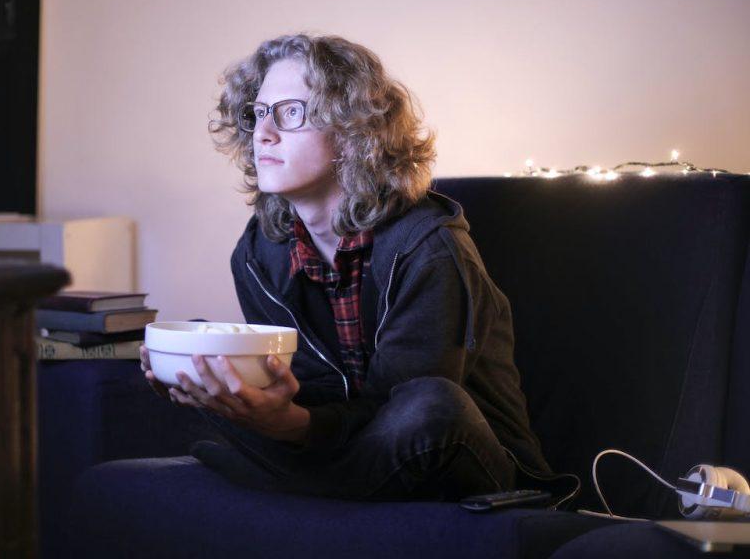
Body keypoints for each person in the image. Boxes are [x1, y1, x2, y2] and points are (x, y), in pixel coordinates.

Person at [139, 33, 561, 502]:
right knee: (203, 357)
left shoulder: (429, 248)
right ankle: (315, 480)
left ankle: (290, 479)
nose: (263, 133)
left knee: (431, 406)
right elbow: (309, 391)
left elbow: (398, 411)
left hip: (466, 460)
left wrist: (291, 427)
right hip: (340, 443)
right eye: (259, 113)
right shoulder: (259, 253)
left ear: (353, 131)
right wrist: (238, 394)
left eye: (291, 112)